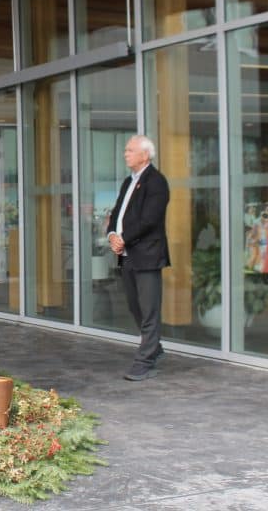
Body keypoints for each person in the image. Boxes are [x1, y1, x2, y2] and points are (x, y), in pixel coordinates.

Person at [106, 135, 170, 381]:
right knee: (135, 305)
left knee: (149, 307)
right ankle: (155, 347)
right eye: (125, 150)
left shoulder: (156, 182)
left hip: (147, 255)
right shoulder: (128, 182)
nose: (126, 153)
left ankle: (145, 360)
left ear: (145, 155)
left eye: (130, 150)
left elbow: (150, 219)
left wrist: (125, 238)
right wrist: (113, 233)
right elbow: (117, 213)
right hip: (128, 254)